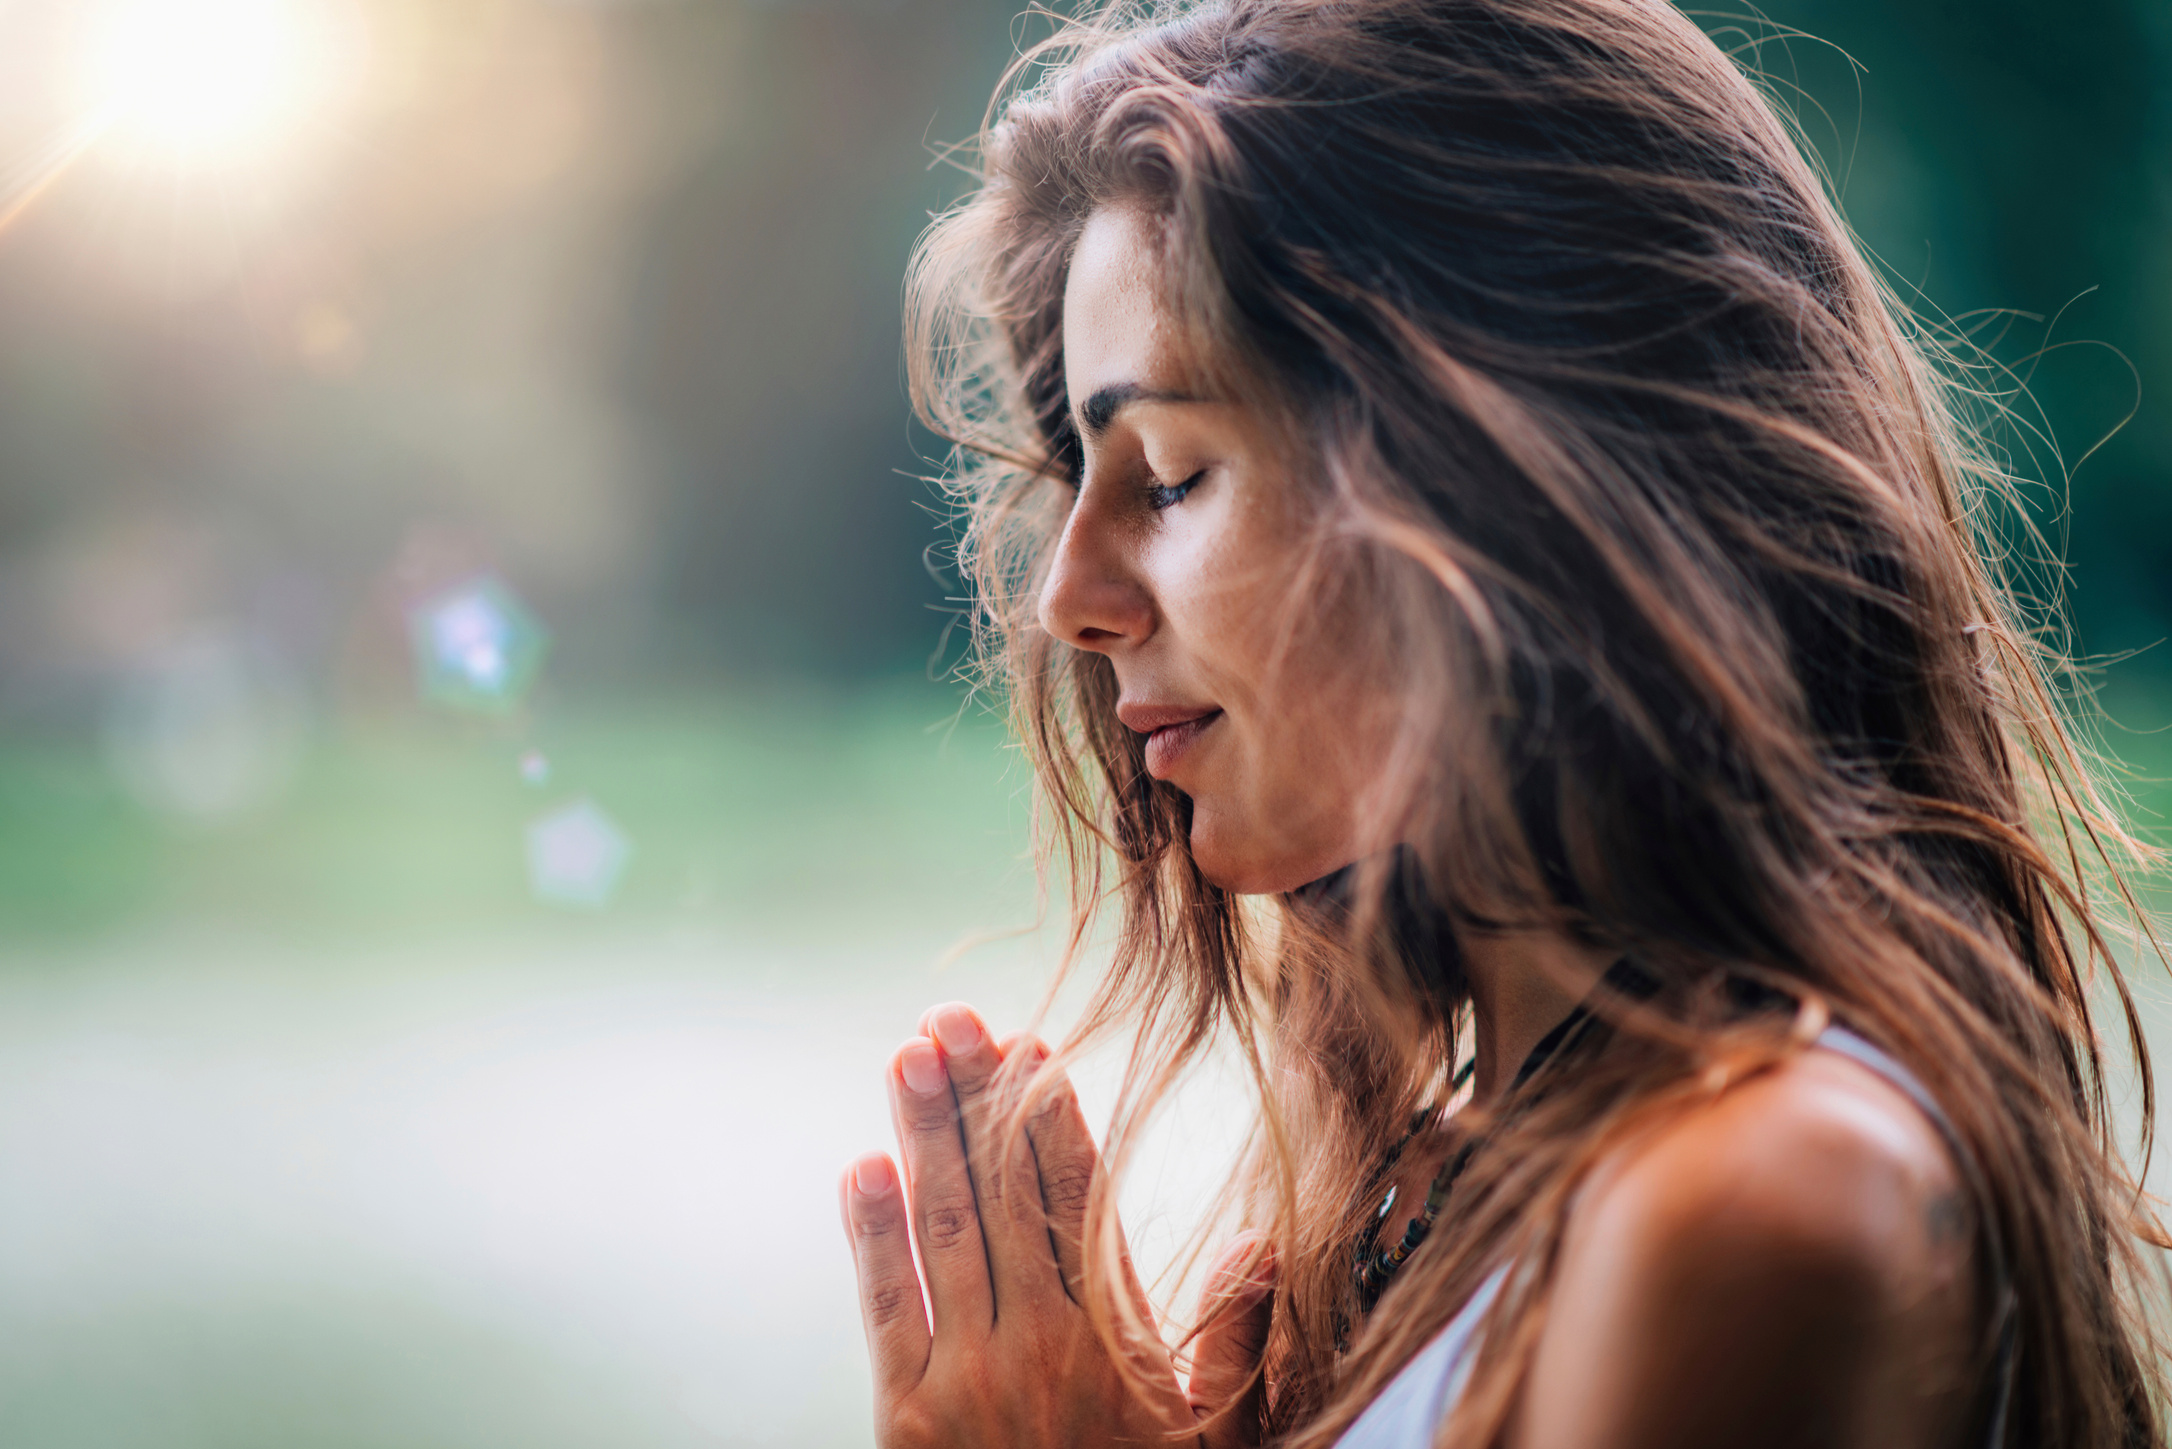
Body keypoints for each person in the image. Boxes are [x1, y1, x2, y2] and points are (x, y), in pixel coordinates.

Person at [835, 1, 2171, 1444]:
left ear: (1491, 471)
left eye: (1165, 474)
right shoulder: (1439, 1186)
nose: (1066, 598)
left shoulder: (1756, 1204)